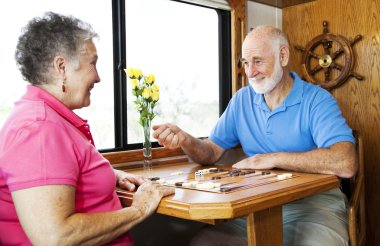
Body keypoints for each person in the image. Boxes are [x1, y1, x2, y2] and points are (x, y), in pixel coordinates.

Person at [153, 25, 357, 246]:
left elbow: (345, 162)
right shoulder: (242, 100)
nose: (250, 72)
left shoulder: (317, 100)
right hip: (254, 206)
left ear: (283, 55)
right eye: (245, 63)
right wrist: (186, 140)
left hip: (314, 206)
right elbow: (211, 151)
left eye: (258, 61)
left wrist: (273, 158)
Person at [0, 12, 173, 245]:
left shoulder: (45, 119)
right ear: (61, 67)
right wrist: (140, 209)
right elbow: (56, 237)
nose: (98, 77)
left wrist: (109, 175)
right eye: (93, 63)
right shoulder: (39, 128)